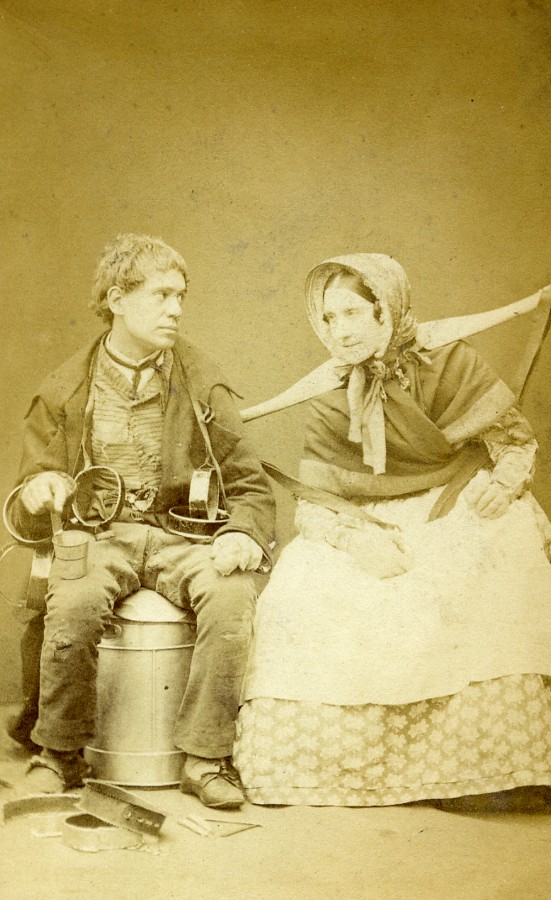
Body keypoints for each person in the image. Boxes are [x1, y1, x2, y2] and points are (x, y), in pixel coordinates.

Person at [234, 253, 551, 810]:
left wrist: (502, 486)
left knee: (497, 554)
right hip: (368, 518)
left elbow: (514, 443)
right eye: (329, 318)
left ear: (386, 308)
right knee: (298, 588)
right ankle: (315, 769)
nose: (340, 331)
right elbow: (315, 502)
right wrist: (356, 540)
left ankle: (491, 766)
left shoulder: (451, 362)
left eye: (353, 313)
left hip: (455, 500)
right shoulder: (331, 394)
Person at [6, 233, 276, 809]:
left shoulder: (203, 383)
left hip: (186, 537)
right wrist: (40, 487)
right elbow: (34, 482)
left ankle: (205, 758)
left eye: (181, 296)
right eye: (161, 295)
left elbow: (250, 484)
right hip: (101, 536)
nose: (176, 309)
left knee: (232, 598)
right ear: (117, 299)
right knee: (73, 601)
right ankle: (59, 754)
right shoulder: (65, 389)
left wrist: (240, 532)